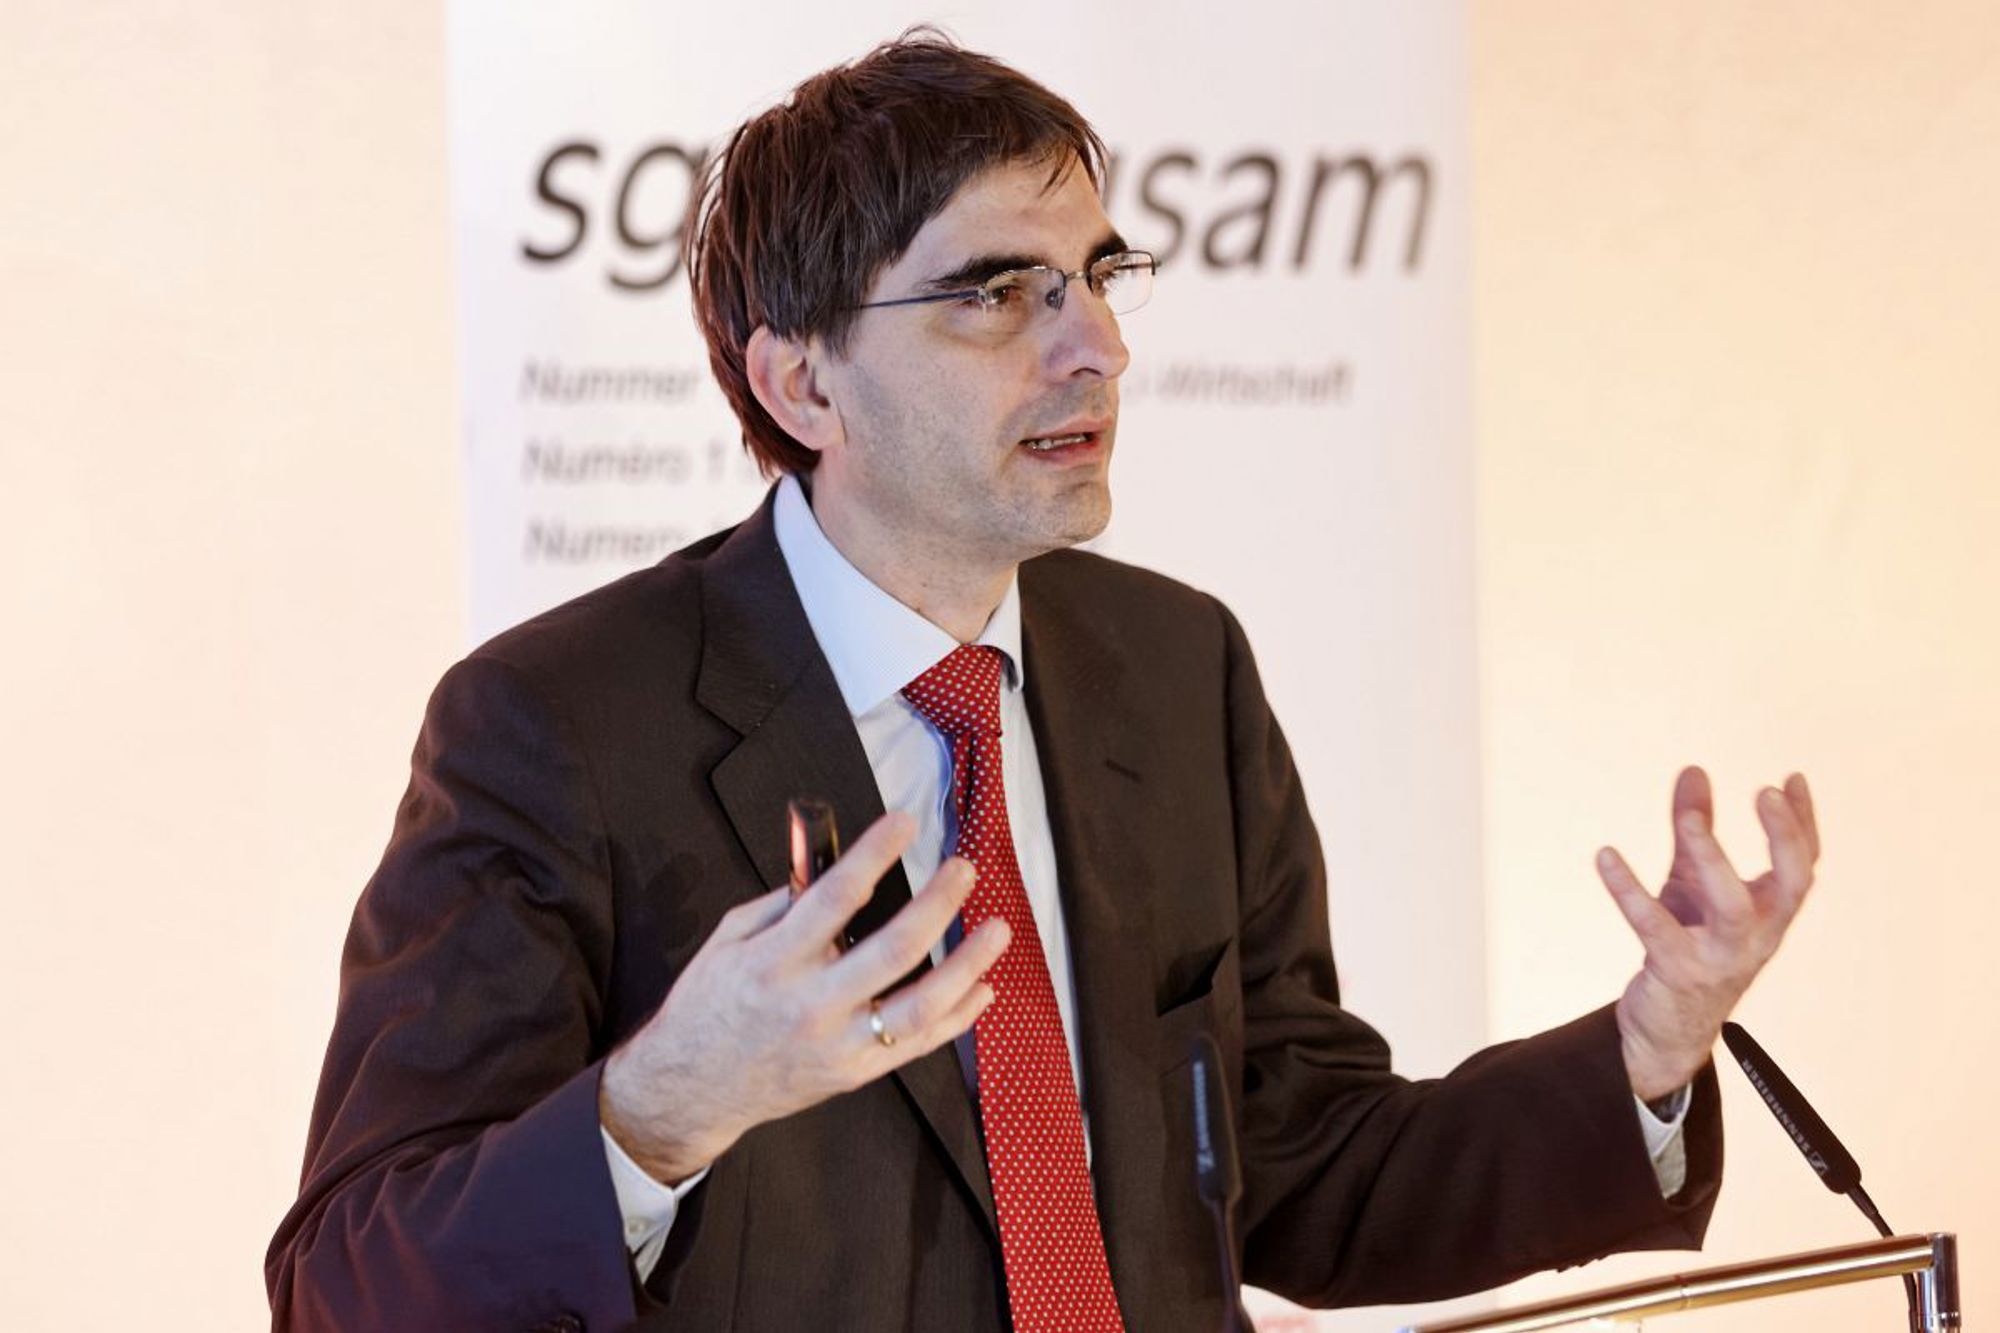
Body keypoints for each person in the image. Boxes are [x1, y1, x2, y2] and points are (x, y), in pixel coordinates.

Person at [266, 30, 1818, 1333]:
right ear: (802, 381)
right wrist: (660, 1105)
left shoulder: (1177, 669)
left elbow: (1306, 1165)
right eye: (998, 294)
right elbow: (343, 1285)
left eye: (1097, 276)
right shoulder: (559, 723)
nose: (1097, 351)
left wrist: (1647, 1048)